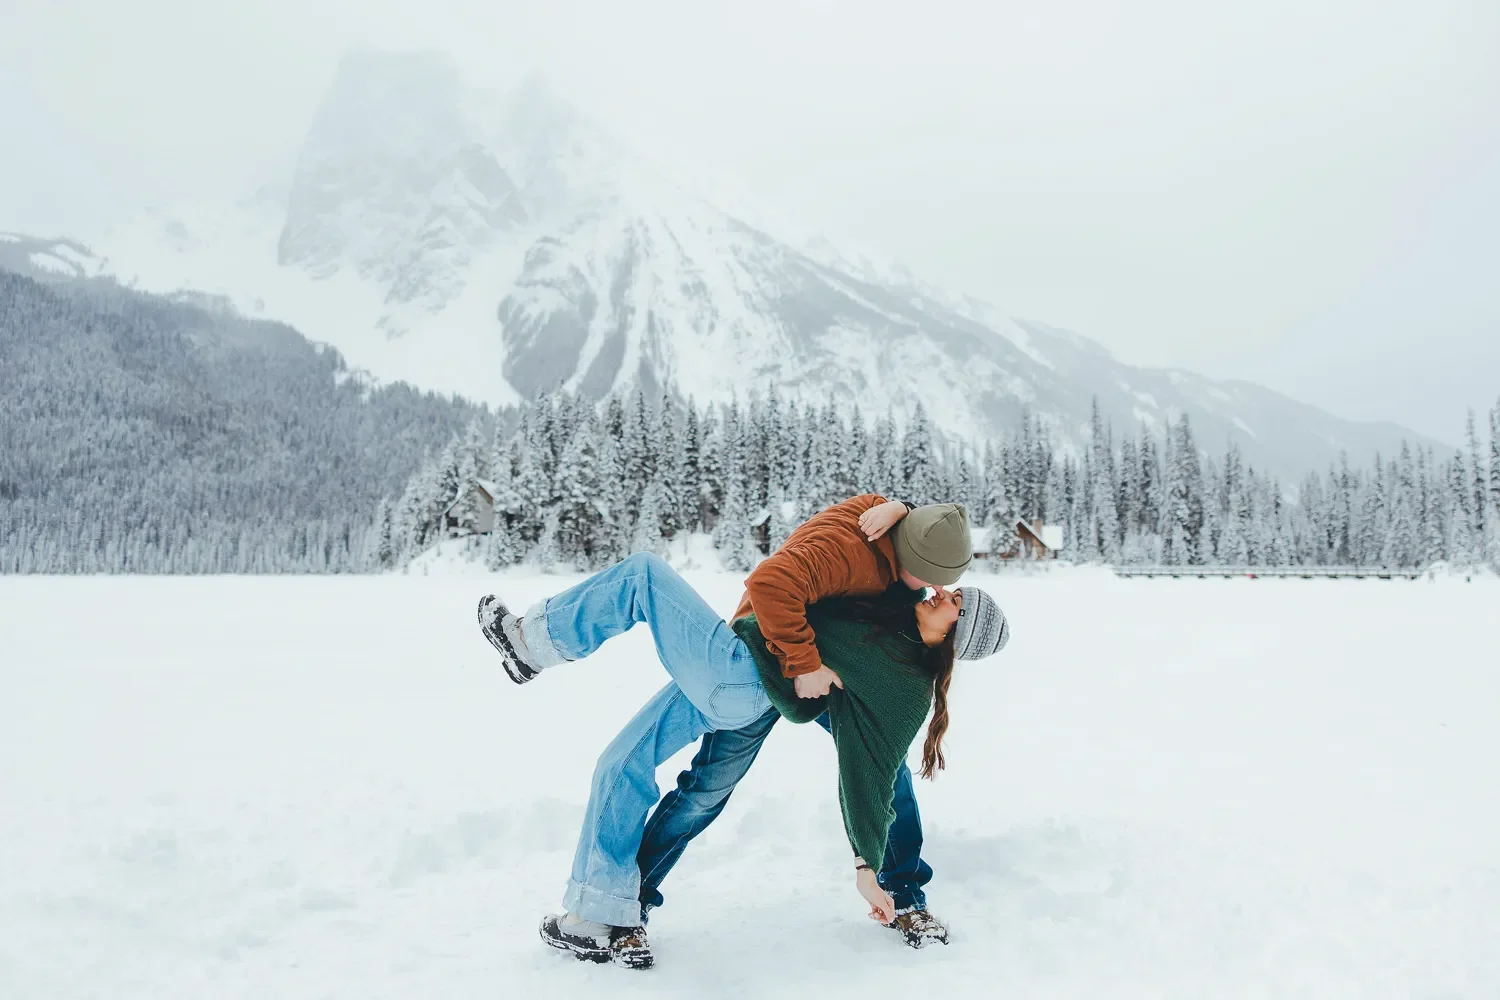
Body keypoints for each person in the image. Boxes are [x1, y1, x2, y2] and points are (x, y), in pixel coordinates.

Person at [477, 552, 1010, 969]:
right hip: (765, 668)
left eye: (957, 602)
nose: (942, 590)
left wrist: (866, 867)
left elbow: (867, 776)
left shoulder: (905, 689)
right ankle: (623, 907)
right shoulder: (897, 598)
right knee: (703, 791)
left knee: (890, 778)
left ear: (956, 636)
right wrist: (890, 510)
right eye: (953, 588)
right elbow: (872, 549)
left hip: (773, 683)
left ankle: (906, 896)